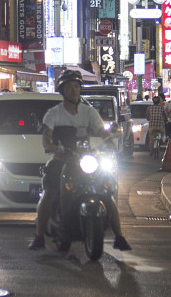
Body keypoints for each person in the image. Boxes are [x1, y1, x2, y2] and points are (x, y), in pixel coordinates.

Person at [29, 69, 130, 252]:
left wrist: (109, 140)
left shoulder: (89, 112)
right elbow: (46, 138)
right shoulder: (54, 114)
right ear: (62, 90)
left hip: (86, 159)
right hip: (62, 159)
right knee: (50, 192)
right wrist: (54, 147)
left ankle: (119, 237)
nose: (73, 90)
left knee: (106, 192)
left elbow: (102, 132)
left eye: (76, 86)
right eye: (69, 87)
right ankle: (39, 236)